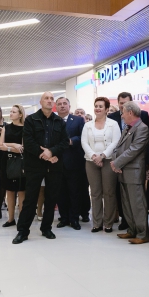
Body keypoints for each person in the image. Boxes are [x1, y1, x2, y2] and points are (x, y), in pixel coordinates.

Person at [12, 91, 70, 244]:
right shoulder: (31, 119)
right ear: (41, 102)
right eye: (46, 98)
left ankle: (46, 228)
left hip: (54, 165)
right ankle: (23, 231)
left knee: (51, 198)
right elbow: (28, 141)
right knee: (30, 199)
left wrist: (52, 152)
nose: (50, 100)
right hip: (34, 165)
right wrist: (44, 154)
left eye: (52, 98)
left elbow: (65, 142)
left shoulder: (59, 121)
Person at [108, 92, 149, 230]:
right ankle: (132, 230)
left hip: (134, 171)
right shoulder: (128, 128)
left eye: (124, 113)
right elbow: (117, 147)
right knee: (127, 204)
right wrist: (115, 161)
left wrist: (116, 163)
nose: (121, 116)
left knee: (137, 204)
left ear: (130, 113)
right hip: (123, 171)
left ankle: (141, 234)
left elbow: (134, 149)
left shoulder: (142, 128)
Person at [81, 97, 121, 232]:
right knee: (95, 192)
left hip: (109, 160)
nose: (97, 108)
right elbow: (84, 142)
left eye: (100, 106)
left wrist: (102, 155)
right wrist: (94, 156)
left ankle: (108, 223)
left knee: (109, 192)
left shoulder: (113, 124)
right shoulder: (87, 125)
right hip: (90, 161)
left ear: (106, 109)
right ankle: (97, 223)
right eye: (96, 106)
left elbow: (116, 142)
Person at [55, 97, 86, 230]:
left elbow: (83, 136)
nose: (62, 106)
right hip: (57, 162)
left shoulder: (78, 120)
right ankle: (64, 218)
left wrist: (71, 141)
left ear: (69, 106)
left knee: (74, 192)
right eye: (59, 104)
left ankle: (74, 219)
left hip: (74, 161)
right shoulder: (52, 120)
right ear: (56, 107)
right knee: (60, 193)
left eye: (64, 104)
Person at [0, 105, 26, 227]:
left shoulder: (25, 128)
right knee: (9, 190)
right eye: (10, 111)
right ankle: (10, 219)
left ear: (20, 114)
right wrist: (13, 145)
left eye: (14, 112)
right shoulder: (6, 127)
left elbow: (23, 148)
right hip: (7, 161)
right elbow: (0, 145)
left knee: (21, 191)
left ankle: (22, 219)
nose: (11, 113)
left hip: (21, 162)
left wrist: (7, 147)